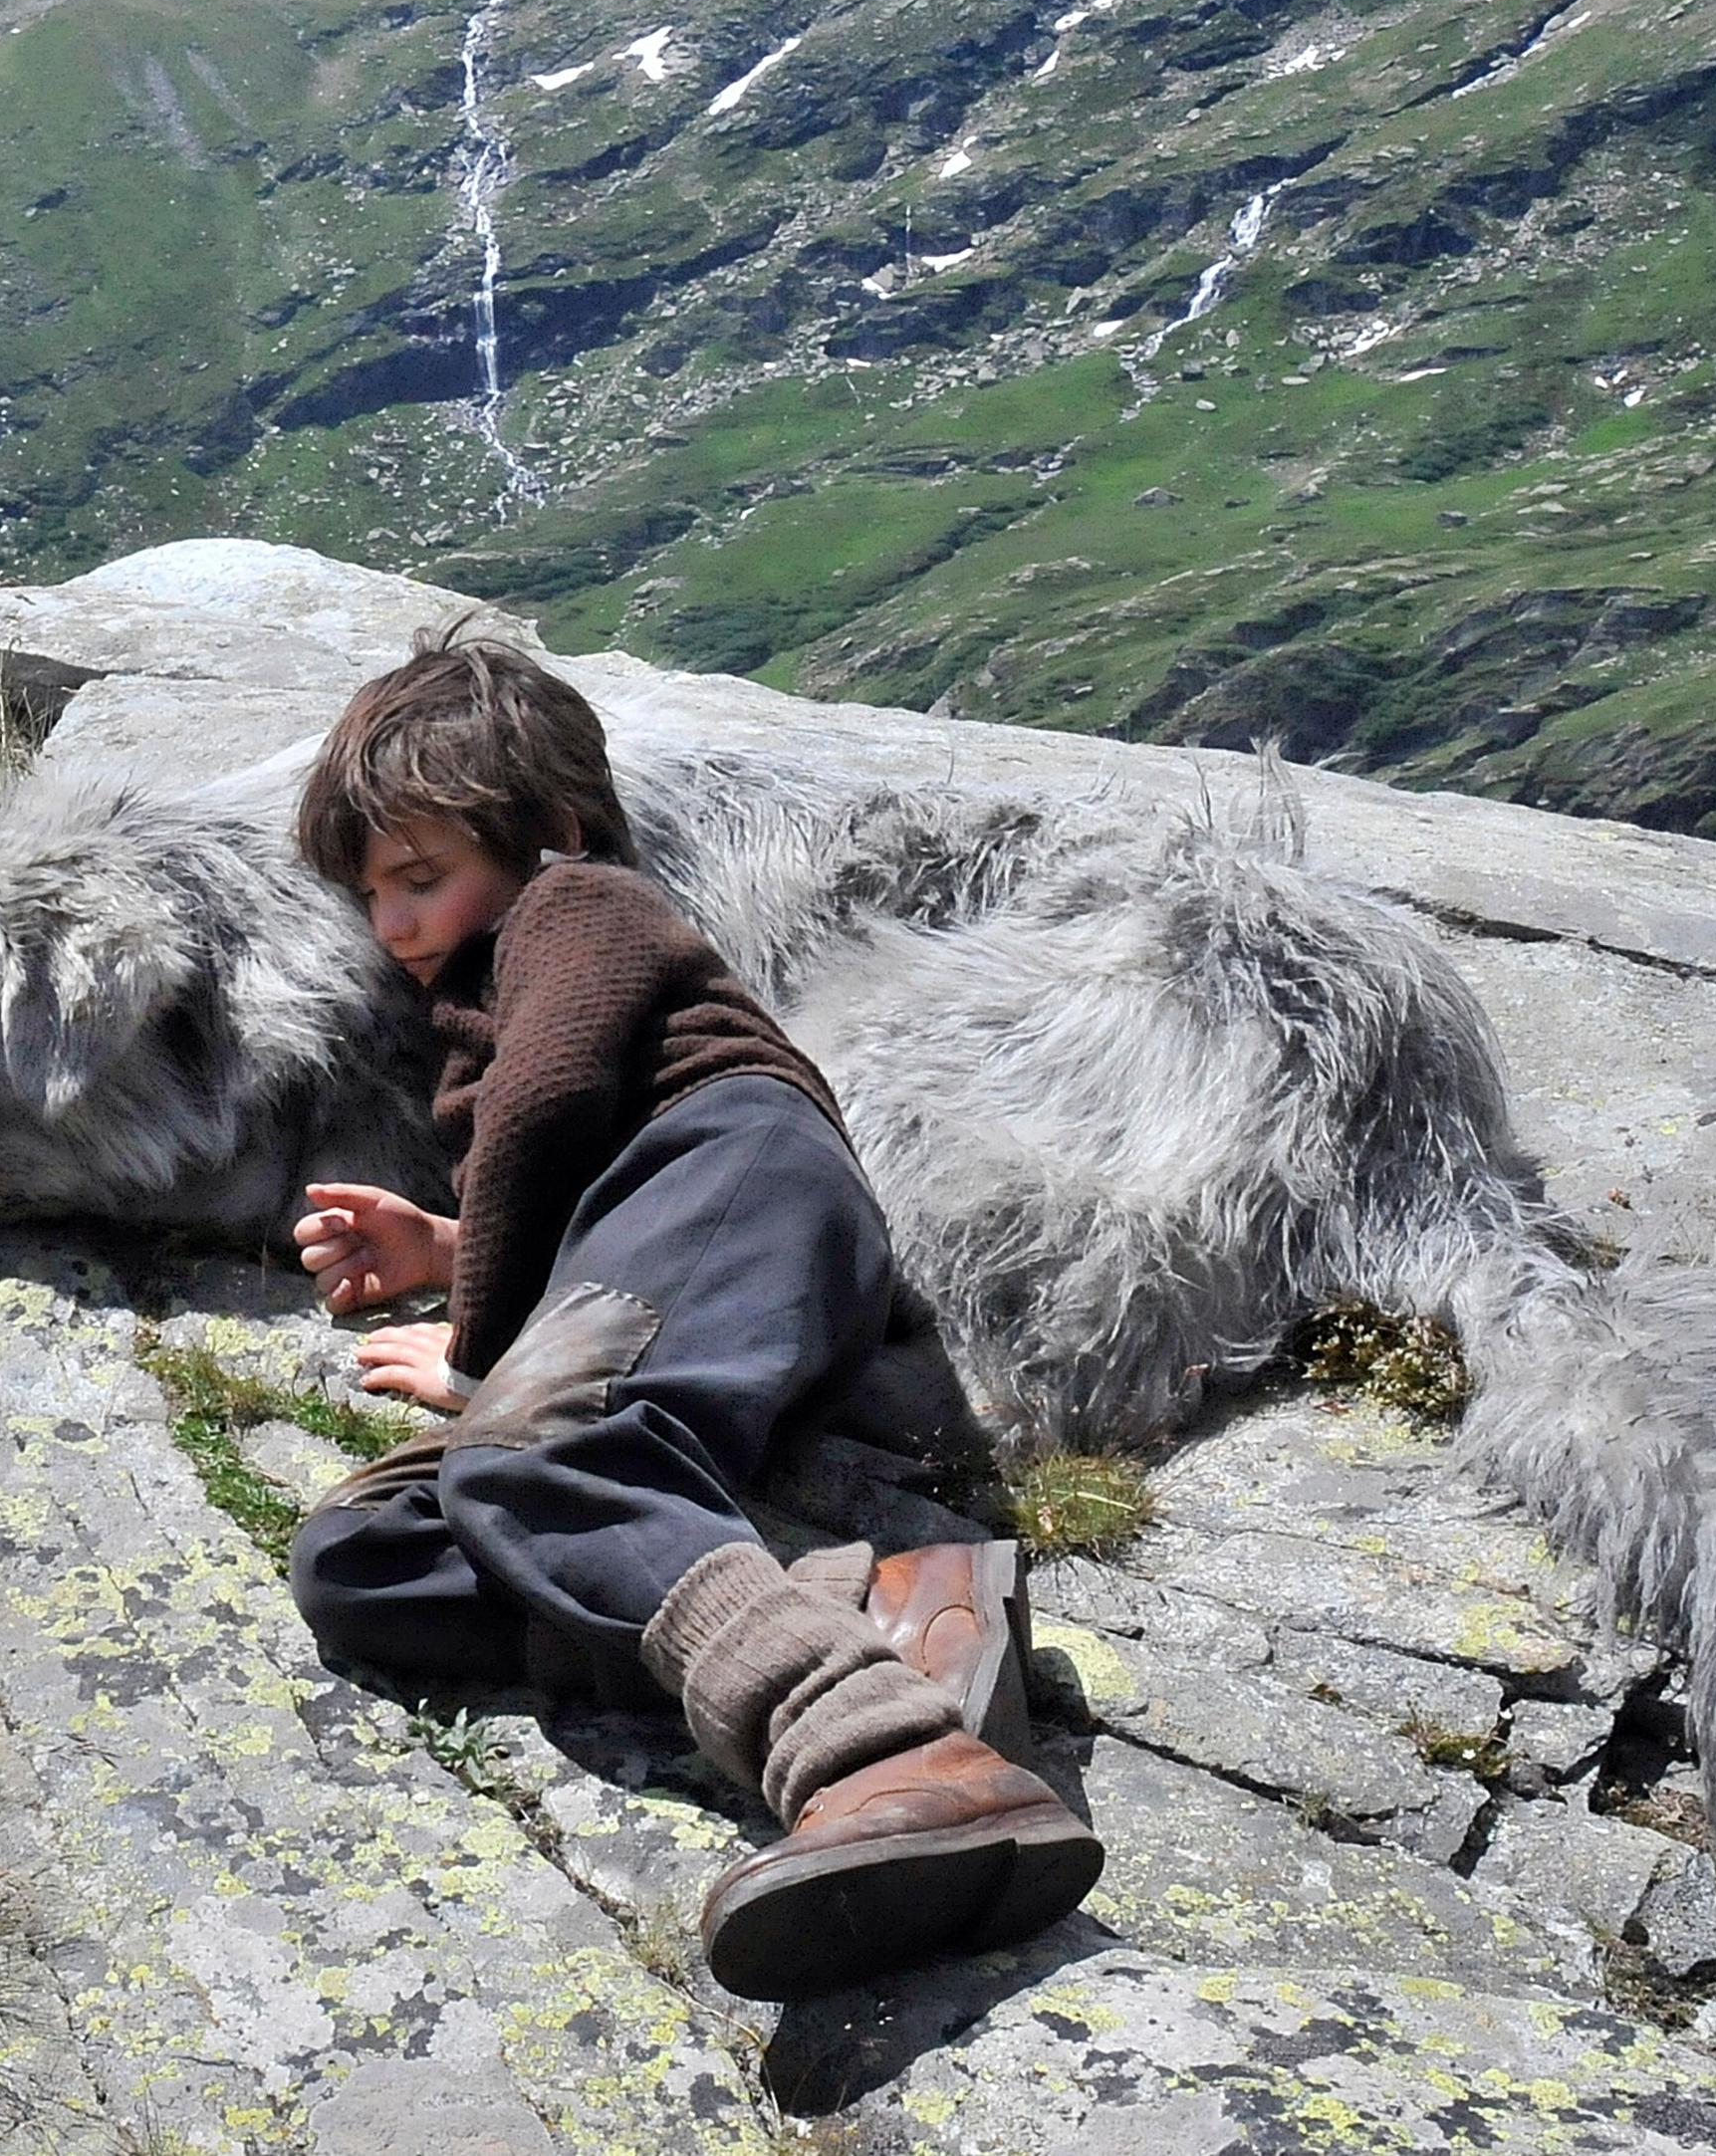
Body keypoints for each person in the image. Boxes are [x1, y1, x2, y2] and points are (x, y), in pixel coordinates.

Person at [281, 629, 1103, 2002]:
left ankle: (886, 1762)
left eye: (421, 880)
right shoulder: (500, 979)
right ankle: (893, 1616)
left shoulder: (575, 901)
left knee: (534, 1453)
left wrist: (481, 1356)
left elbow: (548, 1113)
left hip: (738, 1170)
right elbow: (575, 1200)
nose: (395, 926)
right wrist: (443, 1242)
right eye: (374, 895)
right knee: (369, 1562)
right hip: (679, 1231)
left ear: (542, 831)